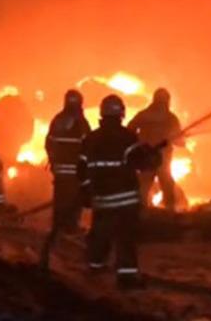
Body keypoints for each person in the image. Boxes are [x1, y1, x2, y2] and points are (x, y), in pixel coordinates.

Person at [77, 95, 161, 289]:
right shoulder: (128, 137)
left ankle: (95, 268)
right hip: (126, 200)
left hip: (102, 199)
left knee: (100, 234)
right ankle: (126, 278)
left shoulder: (90, 139)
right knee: (126, 238)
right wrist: (153, 155)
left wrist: (86, 192)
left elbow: (81, 169)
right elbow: (142, 164)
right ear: (121, 114)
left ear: (102, 113)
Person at [39, 89, 91, 270]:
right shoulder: (82, 122)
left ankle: (57, 229)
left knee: (60, 199)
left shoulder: (57, 120)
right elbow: (88, 145)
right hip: (75, 171)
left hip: (61, 170)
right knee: (75, 200)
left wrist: (54, 160)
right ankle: (70, 228)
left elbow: (49, 142)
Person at [127, 88, 184, 210]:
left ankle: (140, 212)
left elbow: (129, 131)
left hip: (146, 158)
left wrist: (139, 144)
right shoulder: (171, 118)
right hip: (162, 160)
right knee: (167, 186)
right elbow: (179, 140)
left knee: (143, 187)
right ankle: (169, 212)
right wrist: (180, 141)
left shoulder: (143, 115)